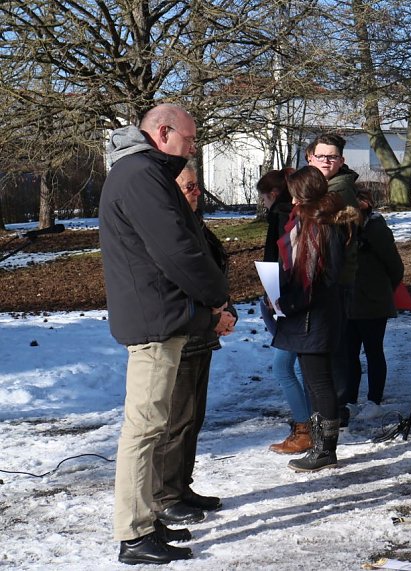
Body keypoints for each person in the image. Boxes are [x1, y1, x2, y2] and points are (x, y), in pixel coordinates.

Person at [100, 103, 230, 565]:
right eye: (190, 138)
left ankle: (147, 519)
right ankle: (133, 535)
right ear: (163, 131)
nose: (193, 146)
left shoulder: (142, 172)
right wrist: (217, 298)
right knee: (145, 428)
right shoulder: (140, 175)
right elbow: (177, 249)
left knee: (153, 426)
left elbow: (180, 241)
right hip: (155, 320)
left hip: (160, 314)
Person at [151, 164, 237, 526]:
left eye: (197, 186)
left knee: (193, 418)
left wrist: (224, 309)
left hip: (203, 333)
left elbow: (213, 274)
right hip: (180, 333)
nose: (196, 192)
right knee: (177, 419)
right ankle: (165, 495)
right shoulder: (169, 230)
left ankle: (182, 486)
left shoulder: (194, 225)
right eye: (188, 187)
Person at [271, 165, 360, 472]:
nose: (291, 200)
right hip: (311, 315)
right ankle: (322, 447)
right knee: (316, 381)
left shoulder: (318, 226)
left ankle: (324, 449)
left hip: (313, 316)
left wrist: (286, 301)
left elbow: (318, 277)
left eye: (294, 194)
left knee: (319, 383)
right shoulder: (315, 221)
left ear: (304, 195)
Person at [304, 133, 361, 429]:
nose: (326, 161)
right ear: (310, 157)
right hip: (325, 279)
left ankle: (332, 413)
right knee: (325, 349)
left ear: (341, 161)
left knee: (332, 349)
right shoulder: (321, 188)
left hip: (334, 282)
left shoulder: (338, 191)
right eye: (321, 156)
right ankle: (325, 412)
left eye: (332, 157)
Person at [256, 168, 314, 455]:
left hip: (289, 302)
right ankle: (309, 425)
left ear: (274, 194)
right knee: (299, 366)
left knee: (283, 367)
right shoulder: (294, 217)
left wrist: (273, 294)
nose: (263, 204)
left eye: (264, 198)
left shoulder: (282, 218)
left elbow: (278, 260)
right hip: (292, 301)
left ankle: (305, 428)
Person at [342, 191, 404, 419]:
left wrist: (381, 290)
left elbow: (395, 267)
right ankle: (350, 400)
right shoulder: (346, 229)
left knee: (373, 351)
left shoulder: (377, 230)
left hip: (373, 303)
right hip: (348, 302)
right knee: (349, 354)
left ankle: (374, 400)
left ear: (365, 205)